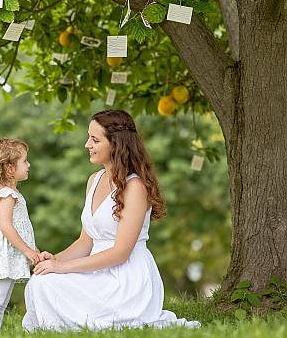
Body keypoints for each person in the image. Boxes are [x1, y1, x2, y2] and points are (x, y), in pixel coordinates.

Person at [22, 110, 201, 332]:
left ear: (116, 144)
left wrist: (62, 268)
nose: (87, 144)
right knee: (41, 281)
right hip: (97, 270)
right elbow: (85, 242)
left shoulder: (134, 186)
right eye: (89, 137)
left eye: (95, 140)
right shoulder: (93, 180)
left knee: (48, 283)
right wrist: (52, 262)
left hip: (126, 277)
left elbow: (121, 253)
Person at [0, 138, 40, 336]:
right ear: (10, 169)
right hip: (2, 254)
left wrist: (34, 250)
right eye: (25, 161)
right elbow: (5, 226)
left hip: (10, 253)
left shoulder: (11, 192)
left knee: (1, 300)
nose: (29, 165)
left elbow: (21, 229)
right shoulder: (6, 194)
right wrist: (28, 251)